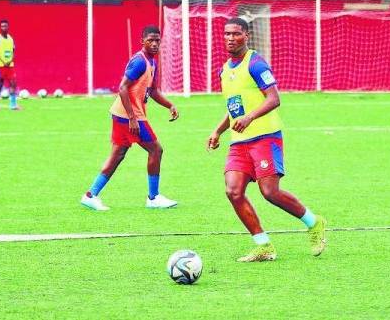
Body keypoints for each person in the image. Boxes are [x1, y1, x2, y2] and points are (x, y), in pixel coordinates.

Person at [207, 17, 326, 262]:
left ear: (246, 36)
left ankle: (314, 223)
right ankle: (263, 245)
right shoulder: (225, 69)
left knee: (269, 192)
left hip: (265, 137)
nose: (230, 38)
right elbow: (234, 107)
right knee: (233, 191)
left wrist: (250, 117)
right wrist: (218, 131)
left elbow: (274, 98)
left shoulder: (256, 64)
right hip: (239, 141)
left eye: (236, 34)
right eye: (227, 33)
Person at [81, 25, 179, 211]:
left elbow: (153, 91)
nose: (155, 43)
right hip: (129, 117)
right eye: (150, 40)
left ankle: (90, 195)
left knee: (117, 156)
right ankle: (153, 197)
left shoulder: (152, 62)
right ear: (142, 41)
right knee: (156, 150)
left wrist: (169, 105)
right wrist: (133, 118)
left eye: (157, 40)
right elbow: (122, 87)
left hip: (121, 114)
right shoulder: (140, 61)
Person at [0, 19, 19, 110]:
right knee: (0, 85)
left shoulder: (11, 39)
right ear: (0, 27)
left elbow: (14, 52)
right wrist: (3, 62)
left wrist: (10, 60)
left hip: (9, 66)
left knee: (13, 83)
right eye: (2, 26)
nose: (4, 28)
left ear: (8, 27)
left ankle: (13, 105)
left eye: (6, 26)